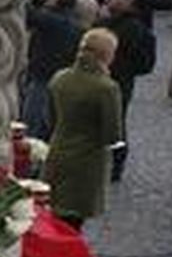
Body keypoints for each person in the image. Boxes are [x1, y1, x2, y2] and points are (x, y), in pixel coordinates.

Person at [45, 28, 123, 229]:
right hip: (87, 162)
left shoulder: (60, 77)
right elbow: (111, 134)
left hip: (58, 150)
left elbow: (49, 118)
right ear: (106, 55)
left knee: (53, 214)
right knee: (74, 220)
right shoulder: (106, 88)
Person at [96, 0, 154, 183]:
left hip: (118, 81)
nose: (107, 2)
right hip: (107, 79)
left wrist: (122, 67)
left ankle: (116, 165)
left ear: (126, 2)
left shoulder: (132, 28)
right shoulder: (113, 23)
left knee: (115, 124)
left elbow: (141, 60)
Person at [22, 0, 81, 138]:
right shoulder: (71, 20)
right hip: (55, 73)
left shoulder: (55, 20)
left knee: (33, 117)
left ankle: (31, 149)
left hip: (44, 74)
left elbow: (29, 15)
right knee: (45, 116)